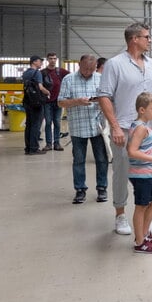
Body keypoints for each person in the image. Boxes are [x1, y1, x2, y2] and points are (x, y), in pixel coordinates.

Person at [98, 22, 152, 237]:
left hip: (148, 128)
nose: (149, 40)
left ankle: (146, 219)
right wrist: (115, 126)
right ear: (134, 39)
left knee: (147, 173)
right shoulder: (115, 64)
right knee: (122, 172)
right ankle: (120, 214)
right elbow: (104, 96)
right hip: (125, 129)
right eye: (146, 36)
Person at [58, 54, 109, 204]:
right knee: (79, 160)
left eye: (91, 69)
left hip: (97, 127)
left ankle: (102, 188)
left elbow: (108, 99)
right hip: (78, 127)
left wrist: (99, 100)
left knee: (102, 159)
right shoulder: (68, 79)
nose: (88, 72)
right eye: (85, 69)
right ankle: (80, 190)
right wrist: (76, 101)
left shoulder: (100, 79)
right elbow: (60, 103)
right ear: (79, 65)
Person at [126, 92, 152, 254]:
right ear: (142, 110)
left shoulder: (144, 126)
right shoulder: (140, 128)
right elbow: (132, 151)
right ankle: (140, 242)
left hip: (148, 173)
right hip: (140, 174)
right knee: (141, 206)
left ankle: (145, 232)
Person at [41, 52, 70, 151]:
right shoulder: (42, 72)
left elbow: (72, 77)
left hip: (59, 102)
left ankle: (57, 143)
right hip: (47, 102)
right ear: (47, 60)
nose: (53, 60)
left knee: (57, 122)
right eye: (50, 58)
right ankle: (48, 144)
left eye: (54, 58)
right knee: (48, 122)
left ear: (56, 59)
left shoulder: (60, 71)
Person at [22, 55, 49, 155]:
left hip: (27, 101)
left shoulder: (25, 73)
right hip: (36, 102)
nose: (41, 63)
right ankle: (34, 148)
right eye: (40, 61)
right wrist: (48, 92)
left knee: (29, 125)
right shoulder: (37, 73)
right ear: (34, 62)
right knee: (35, 125)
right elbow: (40, 87)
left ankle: (28, 148)